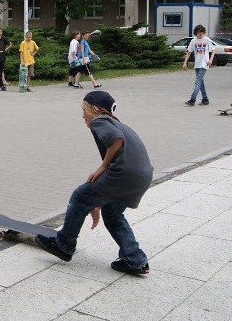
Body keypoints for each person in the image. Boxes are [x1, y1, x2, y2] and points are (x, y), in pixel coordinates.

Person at [34, 91, 152, 275]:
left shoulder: (100, 121)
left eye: (84, 110)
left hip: (122, 176)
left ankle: (64, 244)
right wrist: (97, 198)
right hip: (141, 177)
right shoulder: (118, 123)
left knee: (80, 196)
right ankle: (135, 259)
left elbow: (116, 140)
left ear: (95, 109)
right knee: (113, 214)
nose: (83, 116)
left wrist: (102, 167)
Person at [182, 24, 214, 106]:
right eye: (199, 32)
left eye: (202, 32)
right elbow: (189, 52)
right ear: (196, 33)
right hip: (197, 64)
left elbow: (213, 50)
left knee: (197, 82)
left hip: (204, 64)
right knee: (201, 82)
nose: (200, 34)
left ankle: (192, 99)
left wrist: (210, 60)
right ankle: (205, 99)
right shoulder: (193, 41)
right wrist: (185, 63)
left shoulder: (207, 40)